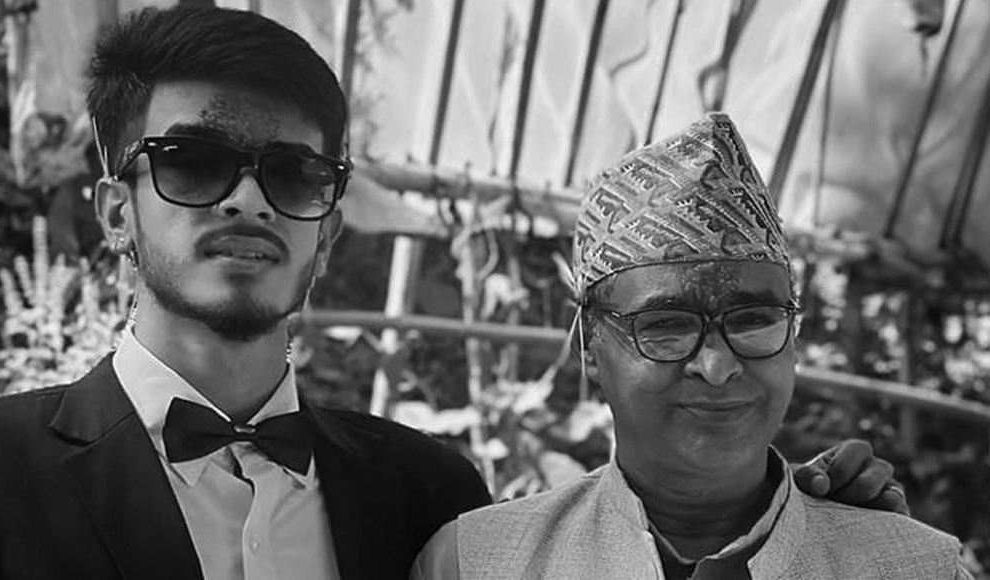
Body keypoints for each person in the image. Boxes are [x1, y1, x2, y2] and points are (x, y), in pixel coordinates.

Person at [0, 7, 911, 580]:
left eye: (293, 173)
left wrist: (799, 528)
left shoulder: (429, 502)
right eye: (193, 162)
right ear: (114, 209)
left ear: (327, 221)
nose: (248, 199)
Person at [411, 112, 971, 580]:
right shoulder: (477, 564)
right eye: (666, 326)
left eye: (754, 320)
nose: (718, 365)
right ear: (589, 346)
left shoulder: (916, 567)